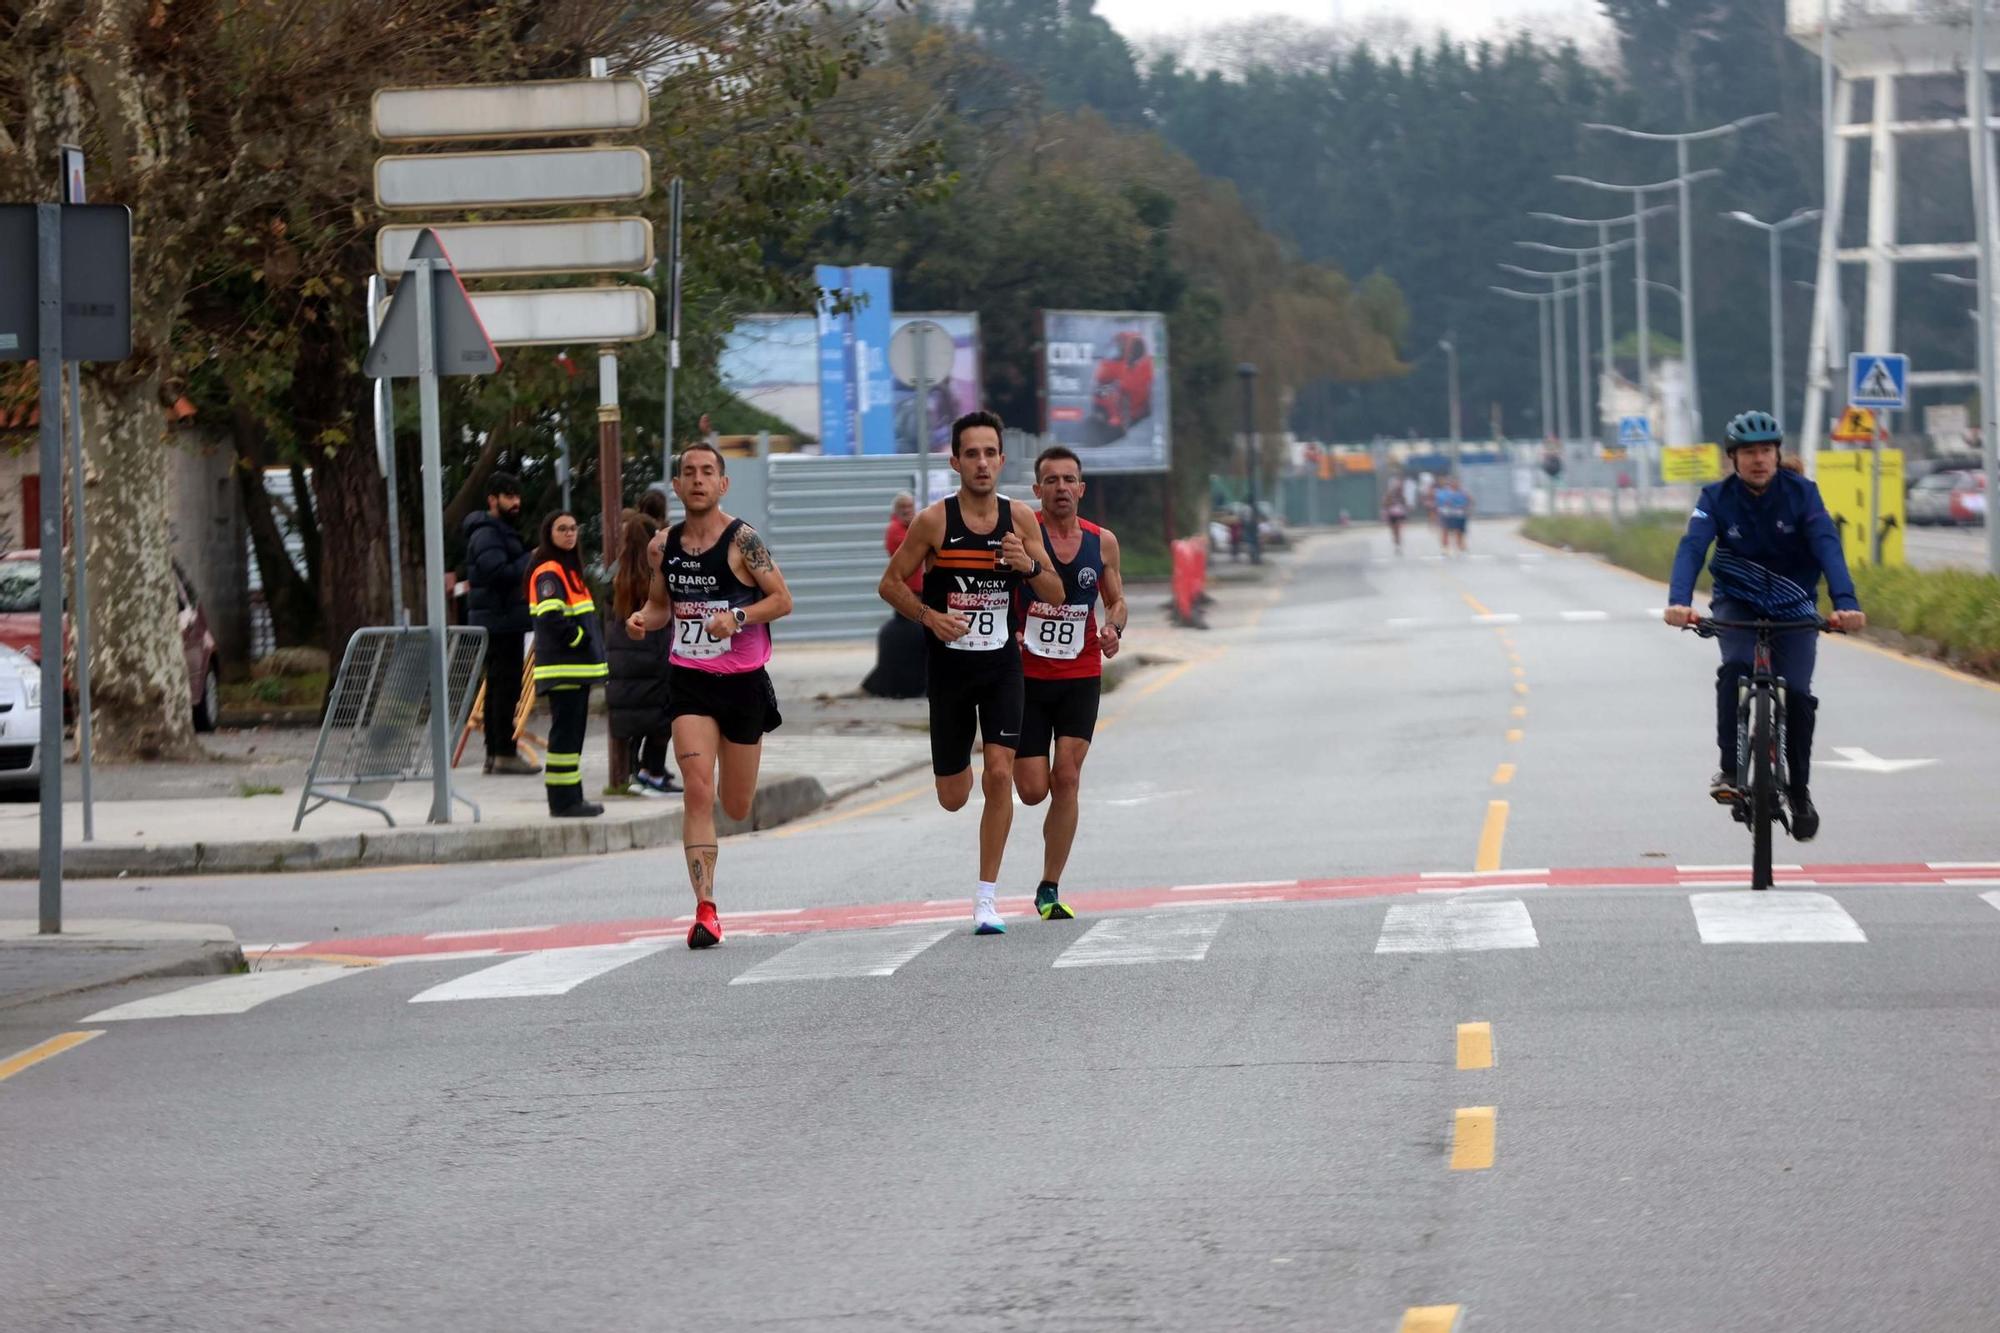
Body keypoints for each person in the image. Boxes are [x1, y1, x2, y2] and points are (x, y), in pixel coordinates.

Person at [877, 410, 1063, 935]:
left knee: (1000, 772)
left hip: (1003, 665)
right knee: (954, 795)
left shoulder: (1021, 520)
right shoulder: (935, 521)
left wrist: (1026, 565)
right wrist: (928, 616)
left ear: (1002, 460)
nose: (982, 463)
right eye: (972, 454)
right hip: (950, 670)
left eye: (990, 453)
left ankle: (986, 899)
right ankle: (954, 785)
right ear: (955, 461)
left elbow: (1055, 592)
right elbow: (890, 583)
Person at [1665, 410, 1867, 841]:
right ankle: (1729, 768)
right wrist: (1679, 602)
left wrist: (1845, 604)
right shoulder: (1715, 498)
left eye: (1766, 451)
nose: (1759, 460)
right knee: (1735, 668)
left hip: (1794, 603)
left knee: (1796, 693)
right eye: (1749, 453)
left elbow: (1828, 546)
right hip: (1737, 601)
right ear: (1732, 459)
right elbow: (1692, 548)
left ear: (1778, 455)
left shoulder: (1803, 494)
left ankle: (1798, 790)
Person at [627, 443, 794, 949]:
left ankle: (710, 892)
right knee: (697, 789)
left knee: (736, 805)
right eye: (688, 473)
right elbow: (662, 606)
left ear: (723, 484)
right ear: (676, 486)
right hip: (690, 679)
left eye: (707, 472)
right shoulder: (662, 547)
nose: (697, 480)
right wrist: (643, 619)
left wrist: (737, 617)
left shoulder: (744, 541)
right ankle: (705, 910)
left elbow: (782, 600)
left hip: (743, 681)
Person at [1013, 446, 1126, 922]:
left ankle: (1049, 885)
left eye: (1069, 480)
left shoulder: (1102, 543)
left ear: (1081, 489)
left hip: (1080, 674)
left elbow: (1116, 600)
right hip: (1026, 678)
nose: (1061, 488)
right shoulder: (1022, 535)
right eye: (1051, 480)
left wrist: (1113, 629)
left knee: (1068, 777)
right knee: (1034, 789)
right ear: (1038, 491)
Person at [528, 511, 607, 818]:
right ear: (549, 534)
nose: (570, 533)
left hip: (574, 669)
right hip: (565, 668)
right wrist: (579, 639)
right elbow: (550, 616)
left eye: (573, 528)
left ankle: (572, 798)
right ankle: (563, 802)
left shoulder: (566, 569)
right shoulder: (550, 571)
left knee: (571, 738)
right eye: (562, 529)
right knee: (565, 738)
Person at [461, 471, 540, 775]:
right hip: (499, 620)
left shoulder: (497, 531)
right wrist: (529, 560)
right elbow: (497, 572)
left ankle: (497, 754)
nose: (516, 502)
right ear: (492, 500)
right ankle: (502, 752)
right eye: (508, 496)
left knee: (501, 686)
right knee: (503, 688)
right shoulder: (487, 533)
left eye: (517, 496)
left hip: (503, 618)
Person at [605, 509, 680, 798]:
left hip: (624, 654)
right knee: (663, 715)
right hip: (653, 653)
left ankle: (636, 771)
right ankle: (653, 771)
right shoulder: (656, 571)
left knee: (636, 718)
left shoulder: (617, 572)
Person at [1433, 474, 1471, 554]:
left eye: (1457, 482)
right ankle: (1445, 548)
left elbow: (1469, 501)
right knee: (1445, 531)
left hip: (1459, 514)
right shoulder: (1443, 492)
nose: (1455, 483)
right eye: (1453, 482)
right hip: (1447, 514)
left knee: (1459, 531)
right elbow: (1438, 503)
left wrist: (1467, 508)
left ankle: (1460, 546)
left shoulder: (1463, 492)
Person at [1381, 474, 1410, 554]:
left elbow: (1405, 503)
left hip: (1399, 514)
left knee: (1398, 529)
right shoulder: (1388, 495)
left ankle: (1398, 544)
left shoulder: (1401, 494)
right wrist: (1390, 504)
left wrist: (1405, 507)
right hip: (1391, 515)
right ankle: (1396, 541)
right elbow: (1384, 504)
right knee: (1394, 530)